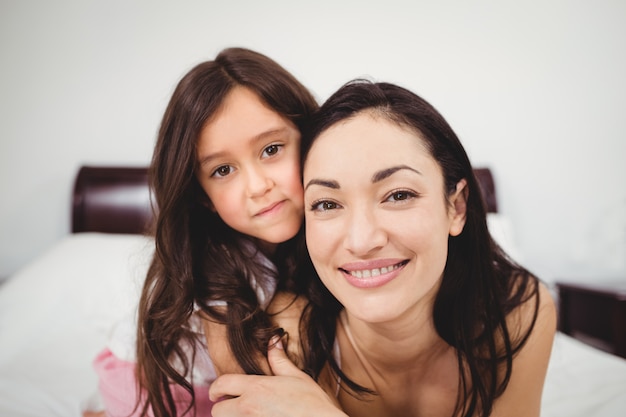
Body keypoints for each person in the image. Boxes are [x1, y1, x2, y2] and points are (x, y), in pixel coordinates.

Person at [208, 79, 558, 417]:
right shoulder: (281, 337)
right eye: (327, 204)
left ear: (457, 207)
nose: (362, 241)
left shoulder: (516, 312)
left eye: (399, 195)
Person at [86, 47, 319, 417]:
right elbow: (244, 390)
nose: (258, 186)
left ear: (311, 141)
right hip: (154, 386)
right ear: (204, 198)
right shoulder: (219, 267)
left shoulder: (321, 234)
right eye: (223, 170)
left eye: (271, 149)